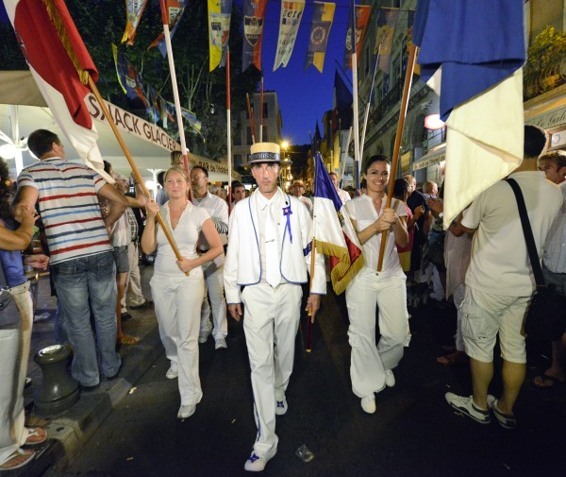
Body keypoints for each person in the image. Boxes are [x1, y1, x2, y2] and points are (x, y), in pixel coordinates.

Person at [445, 125, 562, 429]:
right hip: (526, 285)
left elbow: (465, 228)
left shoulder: (494, 189)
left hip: (486, 284)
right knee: (515, 349)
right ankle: (507, 408)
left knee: (481, 347)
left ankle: (480, 404)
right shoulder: (553, 192)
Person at [224, 142, 325, 472]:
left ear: (279, 169)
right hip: (254, 292)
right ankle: (266, 439)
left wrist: (316, 289)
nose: (265, 172)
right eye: (259, 167)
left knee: (285, 353)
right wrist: (232, 294)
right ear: (251, 171)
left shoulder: (298, 207)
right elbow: (233, 253)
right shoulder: (240, 210)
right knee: (260, 364)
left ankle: (281, 387)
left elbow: (313, 251)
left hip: (289, 291)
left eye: (271, 166)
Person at [13, 129, 141, 389]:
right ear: (56, 145)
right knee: (105, 315)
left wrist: (32, 226)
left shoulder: (31, 173)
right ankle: (110, 365)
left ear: (36, 153)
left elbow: (22, 210)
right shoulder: (83, 170)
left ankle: (89, 375)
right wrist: (107, 223)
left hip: (65, 256)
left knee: (78, 321)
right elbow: (120, 200)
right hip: (100, 253)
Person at [141, 166, 223, 419]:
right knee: (167, 329)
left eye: (179, 181)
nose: (175, 185)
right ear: (165, 186)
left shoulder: (199, 213)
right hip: (162, 278)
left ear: (187, 185)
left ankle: (190, 394)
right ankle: (173, 357)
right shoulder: (158, 212)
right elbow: (147, 248)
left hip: (189, 279)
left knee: (188, 337)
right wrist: (151, 218)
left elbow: (217, 248)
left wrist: (193, 263)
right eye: (170, 181)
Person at [344, 155, 410, 414]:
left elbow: (403, 241)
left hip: (392, 274)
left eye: (385, 173)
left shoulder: (397, 204)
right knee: (362, 333)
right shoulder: (352, 207)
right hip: (363, 275)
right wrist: (376, 225)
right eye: (374, 172)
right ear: (365, 176)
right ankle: (366, 387)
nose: (380, 178)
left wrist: (394, 223)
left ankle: (382, 365)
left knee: (397, 332)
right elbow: (351, 243)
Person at [0, 159, 48, 472]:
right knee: (4, 378)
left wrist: (30, 263)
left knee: (16, 372)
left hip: (12, 292)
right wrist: (29, 222)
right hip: (4, 300)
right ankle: (4, 448)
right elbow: (16, 240)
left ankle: (15, 431)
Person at [533, 150, 566, 388]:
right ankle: (556, 367)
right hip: (552, 265)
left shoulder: (557, 192)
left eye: (547, 169)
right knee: (554, 320)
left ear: (562, 172)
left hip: (558, 264)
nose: (542, 173)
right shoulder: (547, 194)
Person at [190, 166, 229, 350]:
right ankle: (204, 327)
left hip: (213, 255)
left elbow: (224, 227)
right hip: (193, 256)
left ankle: (220, 333)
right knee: (199, 296)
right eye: (191, 177)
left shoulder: (218, 203)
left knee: (217, 295)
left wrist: (204, 218)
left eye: (197, 177)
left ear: (206, 179)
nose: (194, 180)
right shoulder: (186, 202)